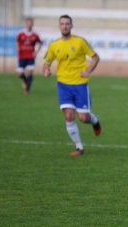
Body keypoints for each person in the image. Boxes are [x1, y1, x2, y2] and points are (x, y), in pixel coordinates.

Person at [42, 14, 101, 156]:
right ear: (59, 26)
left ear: (71, 26)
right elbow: (46, 62)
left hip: (80, 84)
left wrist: (88, 71)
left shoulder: (80, 42)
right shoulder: (54, 45)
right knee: (68, 116)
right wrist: (46, 70)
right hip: (63, 84)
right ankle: (79, 148)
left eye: (67, 24)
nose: (64, 26)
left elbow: (95, 57)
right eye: (62, 24)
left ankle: (95, 120)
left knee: (83, 118)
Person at [15, 17, 42, 95]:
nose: (29, 25)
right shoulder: (20, 33)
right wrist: (17, 48)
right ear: (25, 24)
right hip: (22, 56)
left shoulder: (35, 35)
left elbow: (40, 43)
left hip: (30, 56)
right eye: (28, 23)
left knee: (29, 72)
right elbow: (17, 41)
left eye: (30, 23)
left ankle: (27, 89)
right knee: (20, 73)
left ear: (32, 24)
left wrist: (36, 52)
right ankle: (25, 80)